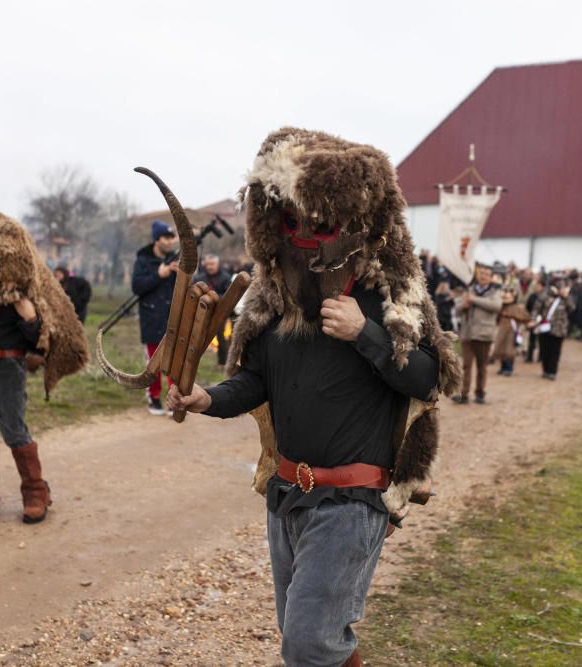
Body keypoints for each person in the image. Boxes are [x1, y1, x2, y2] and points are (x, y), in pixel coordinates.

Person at [168, 128, 459, 667]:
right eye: (291, 221)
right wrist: (208, 399)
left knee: (307, 641)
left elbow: (429, 380)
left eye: (318, 223)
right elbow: (255, 382)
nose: (302, 234)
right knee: (304, 633)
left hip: (352, 501)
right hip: (288, 495)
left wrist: (366, 334)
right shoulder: (274, 299)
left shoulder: (384, 296)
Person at [0, 210, 88, 525]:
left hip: (3, 367)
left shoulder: (19, 283)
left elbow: (38, 341)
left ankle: (36, 492)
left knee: (13, 431)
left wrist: (30, 319)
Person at [131, 220, 178, 416]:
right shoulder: (143, 261)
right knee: (154, 362)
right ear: (157, 239)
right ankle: (154, 398)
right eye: (165, 238)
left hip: (171, 319)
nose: (169, 242)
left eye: (170, 238)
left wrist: (178, 273)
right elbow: (137, 287)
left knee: (174, 362)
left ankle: (174, 400)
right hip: (151, 319)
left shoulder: (174, 259)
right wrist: (160, 275)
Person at [453, 262, 503, 405]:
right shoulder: (469, 290)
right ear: (477, 275)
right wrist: (465, 304)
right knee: (466, 365)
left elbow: (496, 306)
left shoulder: (495, 292)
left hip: (484, 334)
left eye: (486, 274)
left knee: (482, 366)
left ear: (491, 277)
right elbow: (457, 308)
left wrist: (474, 300)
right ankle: (463, 394)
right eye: (481, 273)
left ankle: (480, 393)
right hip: (467, 333)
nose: (483, 276)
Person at [194, 254, 233, 366]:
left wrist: (214, 297)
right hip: (202, 312)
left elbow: (228, 295)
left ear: (217, 264)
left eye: (212, 264)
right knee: (198, 337)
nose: (210, 267)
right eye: (208, 264)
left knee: (221, 337)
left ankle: (222, 362)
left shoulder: (226, 277)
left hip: (219, 312)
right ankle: (194, 361)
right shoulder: (199, 278)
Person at [535, 282, 573, 380]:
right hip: (545, 327)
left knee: (555, 351)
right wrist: (534, 320)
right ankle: (545, 370)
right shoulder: (545, 296)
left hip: (559, 329)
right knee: (544, 350)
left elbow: (572, 308)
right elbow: (536, 308)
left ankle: (552, 371)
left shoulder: (565, 299)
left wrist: (565, 297)